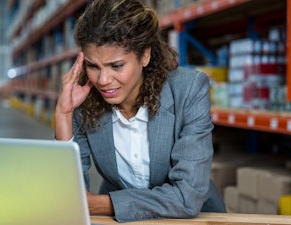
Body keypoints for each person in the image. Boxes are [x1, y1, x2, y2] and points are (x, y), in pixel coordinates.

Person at [54, 0, 226, 222]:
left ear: (145, 55)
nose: (103, 80)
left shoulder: (188, 89)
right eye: (93, 66)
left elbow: (187, 197)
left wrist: (102, 203)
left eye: (116, 66)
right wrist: (64, 114)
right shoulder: (84, 99)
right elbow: (69, 196)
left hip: (194, 219)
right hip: (124, 219)